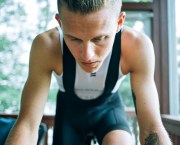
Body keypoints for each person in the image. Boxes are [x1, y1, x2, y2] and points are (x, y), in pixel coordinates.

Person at [5, 0, 172, 145]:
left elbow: (151, 127)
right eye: (74, 39)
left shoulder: (137, 46)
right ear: (60, 23)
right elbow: (27, 124)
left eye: (99, 38)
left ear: (119, 22)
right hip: (69, 113)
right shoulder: (46, 46)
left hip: (109, 109)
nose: (87, 55)